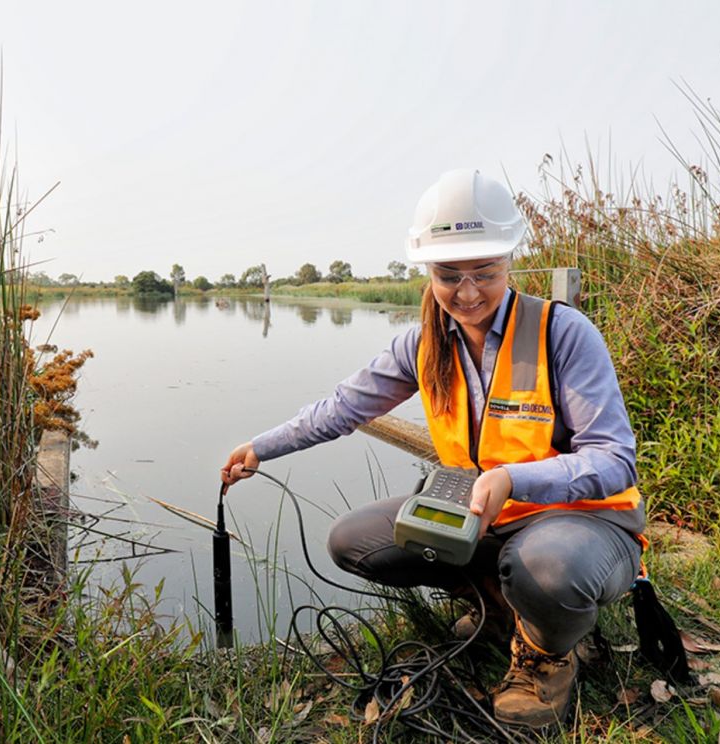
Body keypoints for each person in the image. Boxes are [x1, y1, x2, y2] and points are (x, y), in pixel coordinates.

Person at [220, 168, 646, 730]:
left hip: (582, 524)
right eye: (449, 276)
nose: (467, 293)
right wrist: (261, 448)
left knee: (545, 567)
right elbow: (342, 408)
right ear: (427, 271)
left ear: (509, 262)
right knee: (356, 541)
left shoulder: (563, 334)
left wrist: (517, 480)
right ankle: (503, 612)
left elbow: (614, 460)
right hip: (482, 515)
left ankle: (547, 655)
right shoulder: (421, 343)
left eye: (484, 274)